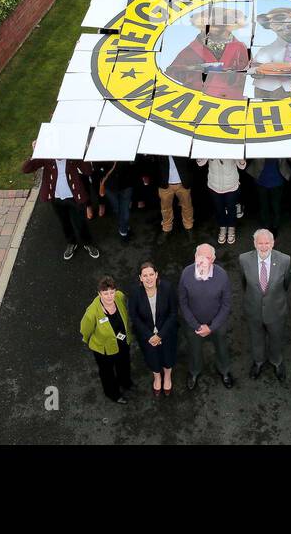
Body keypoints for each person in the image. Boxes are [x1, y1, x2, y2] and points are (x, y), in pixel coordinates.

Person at [21, 154, 99, 261]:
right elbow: (26, 169)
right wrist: (36, 153)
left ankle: (87, 243)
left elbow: (88, 171)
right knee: (65, 223)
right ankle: (71, 242)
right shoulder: (46, 157)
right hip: (56, 199)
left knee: (80, 223)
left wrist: (82, 154)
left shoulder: (73, 156)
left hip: (75, 198)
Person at [178, 244, 233, 390]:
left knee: (222, 348)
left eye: (207, 257)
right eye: (200, 256)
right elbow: (183, 303)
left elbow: (226, 304)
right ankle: (194, 372)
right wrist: (196, 326)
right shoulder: (186, 274)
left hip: (217, 324)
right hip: (193, 325)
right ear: (195, 257)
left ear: (213, 259)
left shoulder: (222, 275)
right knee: (194, 350)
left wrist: (212, 327)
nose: (203, 260)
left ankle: (225, 371)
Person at [239, 229, 291, 381]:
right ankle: (258, 362)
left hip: (276, 310)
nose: (263, 246)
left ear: (273, 243)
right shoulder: (243, 259)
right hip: (253, 309)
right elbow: (244, 282)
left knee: (276, 338)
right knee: (256, 338)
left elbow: (286, 284)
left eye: (267, 243)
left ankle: (276, 361)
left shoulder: (285, 260)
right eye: (260, 243)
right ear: (254, 243)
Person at [163, 5, 250, 99]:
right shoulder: (190, 50)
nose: (216, 28)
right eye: (211, 24)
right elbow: (172, 72)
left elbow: (248, 70)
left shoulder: (241, 47)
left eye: (221, 25)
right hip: (198, 100)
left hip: (230, 100)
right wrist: (196, 68)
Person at [127, 261, 179, 397]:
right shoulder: (135, 292)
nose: (149, 278)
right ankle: (157, 377)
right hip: (147, 335)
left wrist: (160, 335)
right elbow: (134, 316)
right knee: (152, 357)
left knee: (168, 355)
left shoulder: (167, 288)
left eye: (151, 274)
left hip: (166, 332)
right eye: (145, 275)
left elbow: (173, 313)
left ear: (156, 275)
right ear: (140, 278)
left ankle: (167, 376)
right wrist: (150, 336)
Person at [79, 276, 134, 404]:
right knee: (107, 372)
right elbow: (85, 330)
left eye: (111, 292)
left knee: (124, 364)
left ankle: (126, 383)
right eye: (105, 293)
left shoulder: (119, 297)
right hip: (103, 349)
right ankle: (112, 393)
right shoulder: (92, 312)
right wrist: (90, 341)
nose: (109, 296)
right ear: (99, 294)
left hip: (122, 342)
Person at [197, 157, 246, 246]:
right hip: (214, 185)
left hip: (231, 185)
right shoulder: (210, 145)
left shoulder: (232, 145)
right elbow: (200, 163)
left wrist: (240, 157)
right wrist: (203, 153)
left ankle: (231, 228)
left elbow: (242, 166)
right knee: (219, 209)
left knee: (231, 208)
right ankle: (222, 227)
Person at [150, 155, 195, 243]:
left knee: (187, 206)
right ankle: (166, 228)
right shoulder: (158, 148)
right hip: (164, 183)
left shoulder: (182, 145)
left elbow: (191, 162)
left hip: (183, 182)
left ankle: (189, 226)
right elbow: (153, 164)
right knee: (165, 209)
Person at [93, 158, 139, 244]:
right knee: (118, 209)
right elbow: (97, 170)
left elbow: (133, 163)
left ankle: (123, 232)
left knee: (124, 211)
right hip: (110, 187)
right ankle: (125, 227)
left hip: (125, 184)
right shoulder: (99, 153)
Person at [247, 157, 290, 236]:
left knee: (276, 206)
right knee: (263, 205)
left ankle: (275, 226)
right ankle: (265, 226)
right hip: (261, 179)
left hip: (277, 180)